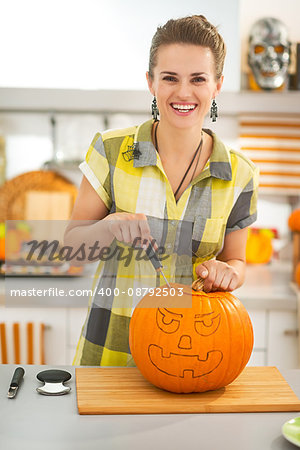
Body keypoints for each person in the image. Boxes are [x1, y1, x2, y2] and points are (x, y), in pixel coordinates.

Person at [65, 15, 259, 366]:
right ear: (151, 82)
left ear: (217, 86)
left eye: (198, 79)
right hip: (110, 357)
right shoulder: (111, 152)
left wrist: (227, 272)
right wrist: (109, 227)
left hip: (191, 360)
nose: (183, 92)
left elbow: (237, 260)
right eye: (170, 78)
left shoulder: (238, 175)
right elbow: (71, 249)